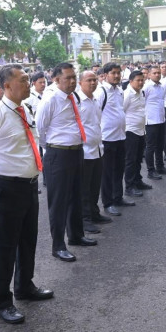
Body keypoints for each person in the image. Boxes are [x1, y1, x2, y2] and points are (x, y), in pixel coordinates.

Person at [0, 64, 53, 325]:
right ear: (7, 85)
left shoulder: (25, 109)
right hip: (6, 186)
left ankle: (24, 286)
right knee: (6, 247)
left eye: (29, 79)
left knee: (28, 240)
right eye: (24, 80)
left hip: (28, 184)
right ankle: (2, 302)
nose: (29, 84)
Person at [36, 63, 97, 263]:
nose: (72, 81)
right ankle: (58, 246)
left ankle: (76, 235)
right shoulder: (51, 99)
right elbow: (41, 129)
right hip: (58, 154)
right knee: (59, 202)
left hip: (76, 151)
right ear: (56, 79)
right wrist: (51, 148)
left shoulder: (74, 96)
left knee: (76, 196)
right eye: (67, 78)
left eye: (74, 77)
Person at [96, 62, 135, 216]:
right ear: (105, 75)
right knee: (107, 173)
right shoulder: (101, 92)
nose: (117, 75)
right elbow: (95, 114)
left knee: (119, 169)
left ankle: (118, 197)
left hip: (120, 136)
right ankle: (108, 202)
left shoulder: (119, 90)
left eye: (118, 72)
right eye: (113, 73)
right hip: (107, 138)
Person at [77, 71, 111, 234]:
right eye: (89, 80)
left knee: (94, 186)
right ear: (80, 82)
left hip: (97, 148)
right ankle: (85, 219)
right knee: (84, 188)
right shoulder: (77, 102)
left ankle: (94, 213)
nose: (93, 83)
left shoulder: (95, 99)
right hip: (84, 151)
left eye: (95, 80)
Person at [123, 70, 152, 198]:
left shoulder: (141, 92)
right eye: (138, 80)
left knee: (138, 158)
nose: (141, 82)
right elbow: (121, 112)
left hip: (141, 130)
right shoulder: (127, 95)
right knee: (130, 160)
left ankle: (137, 180)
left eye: (142, 80)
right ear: (130, 81)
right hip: (130, 131)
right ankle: (129, 187)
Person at [143, 66, 166, 181]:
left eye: (159, 73)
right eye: (154, 73)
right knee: (150, 147)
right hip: (151, 121)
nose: (157, 75)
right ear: (149, 75)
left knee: (160, 145)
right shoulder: (146, 87)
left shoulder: (161, 87)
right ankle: (151, 170)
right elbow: (142, 103)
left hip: (161, 120)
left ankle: (160, 166)